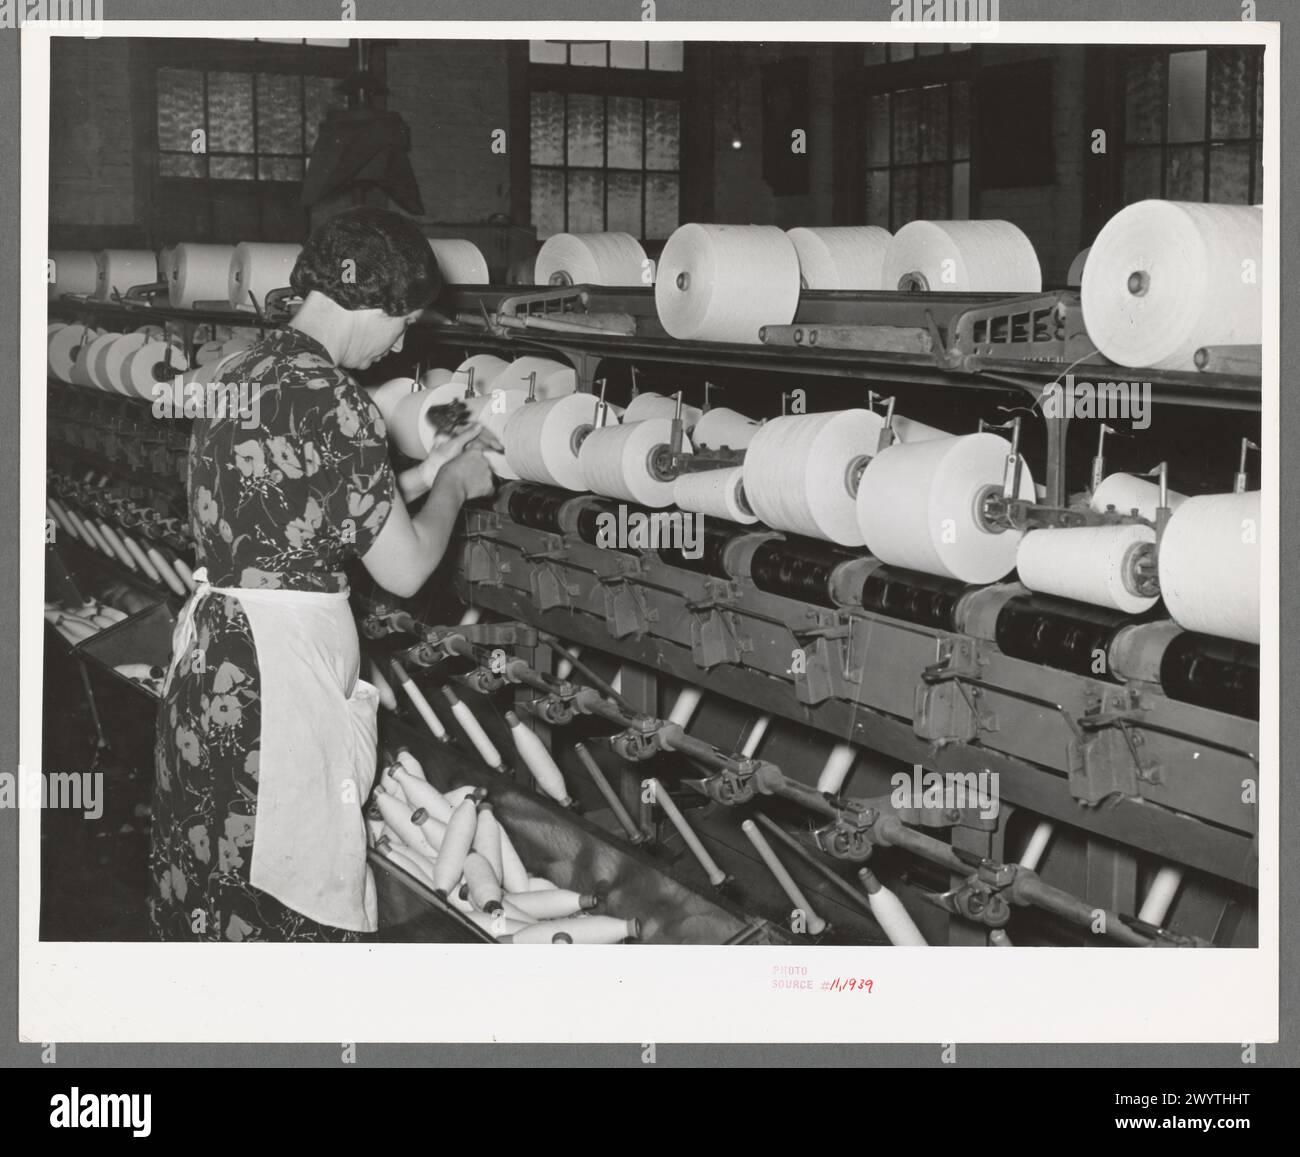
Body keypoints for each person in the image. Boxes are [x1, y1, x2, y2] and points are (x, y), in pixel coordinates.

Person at [148, 207, 495, 942]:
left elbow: (304, 511)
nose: (403, 340)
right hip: (277, 685)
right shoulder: (338, 401)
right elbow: (402, 568)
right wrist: (459, 487)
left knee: (215, 871)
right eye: (403, 318)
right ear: (370, 299)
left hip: (215, 666)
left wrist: (429, 469)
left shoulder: (239, 368)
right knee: (282, 891)